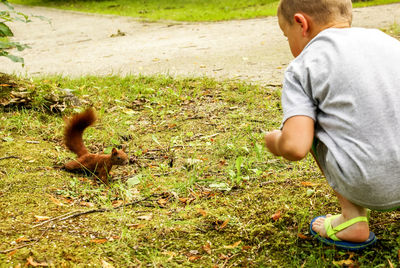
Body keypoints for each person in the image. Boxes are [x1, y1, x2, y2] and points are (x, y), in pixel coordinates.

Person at [265, 0, 400, 250]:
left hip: (371, 185)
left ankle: (352, 219)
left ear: (301, 23)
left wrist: (275, 140)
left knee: (308, 121)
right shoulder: (389, 42)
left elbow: (296, 146)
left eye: (287, 36)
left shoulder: (303, 66)